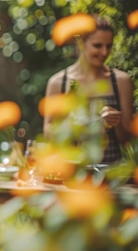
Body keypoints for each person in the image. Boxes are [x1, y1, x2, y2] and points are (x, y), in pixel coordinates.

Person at [44, 14, 134, 164]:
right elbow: (48, 134)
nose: (104, 52)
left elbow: (126, 138)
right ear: (81, 43)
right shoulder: (59, 82)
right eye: (97, 45)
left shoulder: (120, 81)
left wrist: (116, 123)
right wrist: (71, 125)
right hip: (72, 174)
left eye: (109, 46)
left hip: (111, 176)